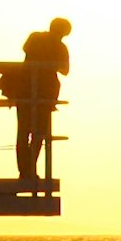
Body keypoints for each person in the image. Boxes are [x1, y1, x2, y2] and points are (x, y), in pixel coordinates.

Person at [11, 17, 71, 184]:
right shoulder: (58, 46)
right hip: (41, 93)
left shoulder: (36, 38)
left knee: (26, 132)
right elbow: (65, 70)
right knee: (36, 133)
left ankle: (26, 170)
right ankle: (28, 170)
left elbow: (26, 50)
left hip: (29, 92)